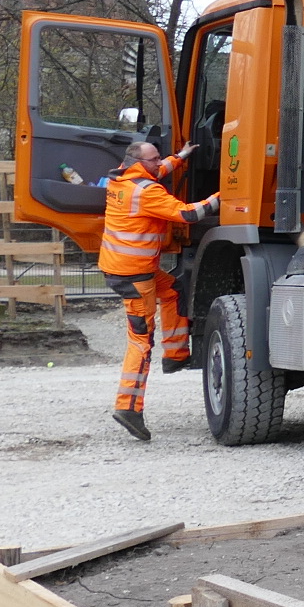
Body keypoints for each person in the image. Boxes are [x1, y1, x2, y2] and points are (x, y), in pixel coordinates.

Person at [101, 139, 217, 442]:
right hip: (135, 275)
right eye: (154, 159)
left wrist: (179, 157)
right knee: (141, 342)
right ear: (140, 163)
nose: (159, 162)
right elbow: (189, 214)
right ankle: (128, 407)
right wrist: (225, 195)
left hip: (127, 267)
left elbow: (158, 169)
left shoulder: (121, 177)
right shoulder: (146, 192)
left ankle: (175, 354)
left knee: (173, 291)